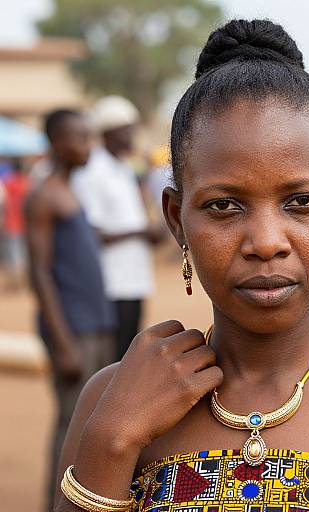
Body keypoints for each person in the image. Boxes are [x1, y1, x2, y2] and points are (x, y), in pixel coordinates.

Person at [54, 20, 309, 512]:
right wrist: (112, 442)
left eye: (300, 201)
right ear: (176, 218)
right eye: (223, 206)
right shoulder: (112, 402)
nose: (266, 243)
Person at [24, 109, 116, 511]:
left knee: (90, 417)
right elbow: (40, 273)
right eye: (79, 138)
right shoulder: (43, 196)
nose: (87, 146)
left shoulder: (72, 192)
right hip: (71, 328)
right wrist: (61, 343)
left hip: (93, 321)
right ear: (56, 143)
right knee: (70, 424)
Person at [72, 96, 164, 360]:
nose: (132, 134)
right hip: (111, 283)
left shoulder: (124, 167)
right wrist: (140, 232)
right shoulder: (92, 171)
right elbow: (90, 233)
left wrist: (151, 234)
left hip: (133, 278)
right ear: (109, 132)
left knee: (128, 353)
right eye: (127, 128)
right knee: (113, 360)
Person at [2, 161, 31, 288]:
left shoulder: (8, 184)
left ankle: (16, 282)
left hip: (12, 224)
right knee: (23, 253)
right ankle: (21, 281)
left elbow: (4, 204)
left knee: (13, 254)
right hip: (25, 224)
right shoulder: (28, 184)